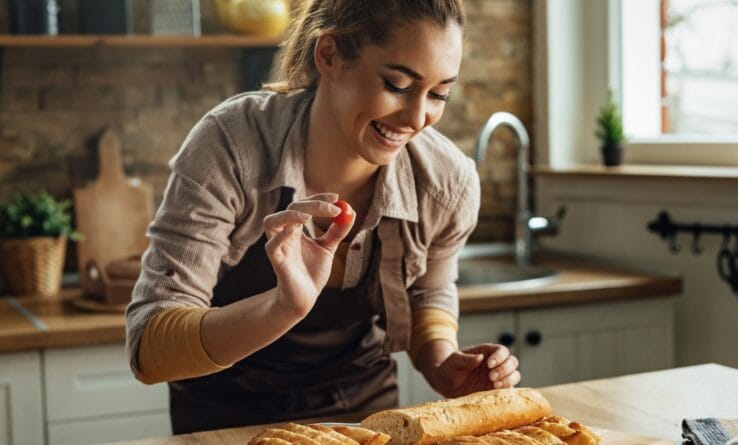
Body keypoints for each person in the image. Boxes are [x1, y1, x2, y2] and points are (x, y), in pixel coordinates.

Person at [125, 0, 521, 434]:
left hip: (363, 416)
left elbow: (428, 292)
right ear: (329, 55)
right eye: (397, 85)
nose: (417, 118)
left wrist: (442, 363)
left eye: (439, 94)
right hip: (225, 419)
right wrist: (282, 307)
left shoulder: (446, 181)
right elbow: (150, 346)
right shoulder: (231, 146)